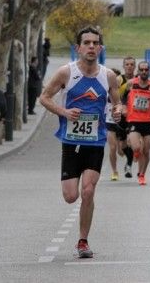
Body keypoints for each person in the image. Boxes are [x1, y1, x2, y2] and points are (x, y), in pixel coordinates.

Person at [39, 26, 121, 258]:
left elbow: (117, 102)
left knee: (88, 191)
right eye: (87, 43)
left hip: (96, 141)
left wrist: (117, 111)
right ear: (78, 48)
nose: (91, 47)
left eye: (95, 43)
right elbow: (44, 98)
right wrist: (64, 112)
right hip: (71, 140)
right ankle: (81, 231)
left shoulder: (109, 76)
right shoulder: (66, 73)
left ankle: (83, 241)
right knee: (71, 196)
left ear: (101, 48)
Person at [123, 61, 150, 186]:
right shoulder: (131, 84)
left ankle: (142, 175)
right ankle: (135, 153)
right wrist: (123, 108)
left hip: (148, 122)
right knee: (136, 147)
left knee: (146, 151)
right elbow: (123, 98)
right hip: (134, 120)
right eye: (142, 70)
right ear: (138, 71)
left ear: (149, 71)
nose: (144, 72)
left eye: (146, 70)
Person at [105, 68, 125, 181]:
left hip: (122, 121)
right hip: (109, 122)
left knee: (121, 150)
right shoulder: (104, 90)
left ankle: (123, 149)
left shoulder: (123, 90)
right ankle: (115, 171)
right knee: (112, 148)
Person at [118, 56, 136, 178]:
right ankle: (129, 161)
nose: (129, 66)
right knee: (122, 147)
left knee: (132, 141)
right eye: (127, 64)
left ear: (135, 67)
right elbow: (114, 96)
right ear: (123, 66)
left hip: (135, 116)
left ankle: (129, 165)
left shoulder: (139, 80)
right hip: (122, 116)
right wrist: (120, 108)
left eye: (131, 64)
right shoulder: (119, 80)